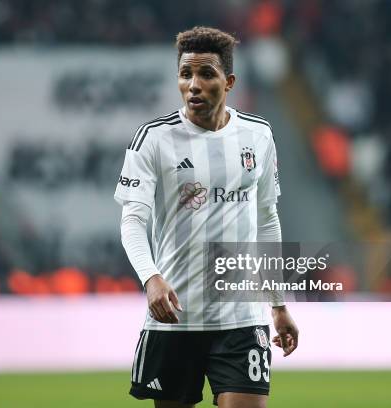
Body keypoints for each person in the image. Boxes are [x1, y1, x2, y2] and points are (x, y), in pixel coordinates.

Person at [114, 26, 299, 408]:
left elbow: (267, 220)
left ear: (228, 81)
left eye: (206, 74)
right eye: (186, 75)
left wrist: (277, 305)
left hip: (242, 319)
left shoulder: (258, 136)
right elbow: (133, 220)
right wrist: (151, 278)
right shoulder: (153, 138)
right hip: (176, 317)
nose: (193, 85)